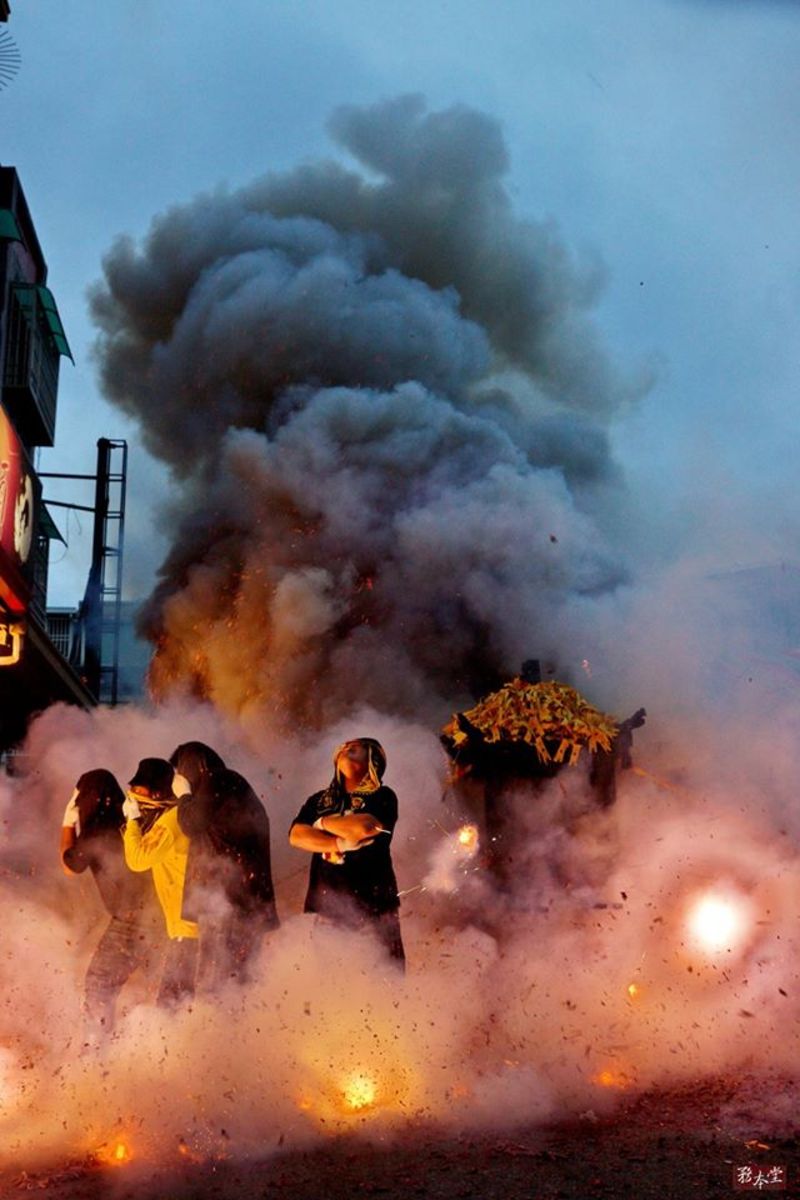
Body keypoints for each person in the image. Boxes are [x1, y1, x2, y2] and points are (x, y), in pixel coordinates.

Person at [169, 741, 279, 988]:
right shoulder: (232, 784)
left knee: (216, 981)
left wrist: (183, 795)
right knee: (238, 981)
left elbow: (191, 824)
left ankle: (217, 1016)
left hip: (226, 901)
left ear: (192, 765)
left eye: (180, 771)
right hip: (241, 902)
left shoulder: (216, 780)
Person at [60, 769, 159, 1036]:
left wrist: (68, 824)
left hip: (131, 921)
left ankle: (96, 1048)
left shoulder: (94, 831)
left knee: (99, 983)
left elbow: (69, 866)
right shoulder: (133, 820)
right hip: (159, 915)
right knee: (159, 985)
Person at [289, 737, 404, 966]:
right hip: (326, 912)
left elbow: (365, 827)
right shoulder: (319, 800)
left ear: (372, 762)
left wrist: (320, 823)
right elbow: (296, 836)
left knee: (382, 980)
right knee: (329, 981)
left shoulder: (383, 796)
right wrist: (339, 844)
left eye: (355, 749)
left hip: (374, 911)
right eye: (344, 748)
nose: (346, 748)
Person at [122, 757, 199, 1008]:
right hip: (189, 927)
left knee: (170, 1008)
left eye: (138, 789)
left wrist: (132, 822)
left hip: (188, 930)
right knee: (183, 1004)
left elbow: (137, 860)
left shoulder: (171, 821)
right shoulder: (175, 816)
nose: (132, 793)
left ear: (156, 793)